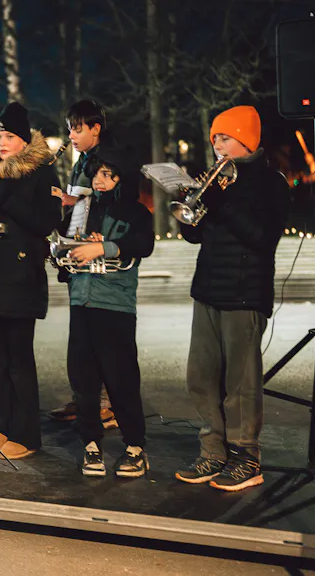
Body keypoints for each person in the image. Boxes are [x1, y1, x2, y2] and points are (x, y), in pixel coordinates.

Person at [174, 105, 290, 492]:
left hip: (245, 293)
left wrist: (222, 203)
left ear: (246, 139)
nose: (217, 146)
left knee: (241, 383)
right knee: (201, 376)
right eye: (215, 140)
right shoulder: (216, 182)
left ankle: (246, 456)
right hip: (208, 289)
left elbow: (262, 238)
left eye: (224, 138)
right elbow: (196, 235)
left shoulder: (270, 183)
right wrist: (191, 208)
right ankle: (213, 452)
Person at [0, 102, 62, 460]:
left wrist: (3, 194)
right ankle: (5, 427)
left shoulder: (41, 173)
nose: (2, 143)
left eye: (9, 137)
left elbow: (45, 221)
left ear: (24, 140)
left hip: (20, 277)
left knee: (19, 360)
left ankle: (27, 434)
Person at [64, 146, 154, 478]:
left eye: (108, 175)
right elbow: (64, 244)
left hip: (115, 304)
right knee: (83, 378)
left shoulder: (136, 212)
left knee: (121, 378)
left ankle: (135, 446)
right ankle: (90, 443)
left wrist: (104, 247)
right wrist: (71, 249)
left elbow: (143, 244)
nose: (99, 181)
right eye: (97, 174)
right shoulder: (85, 209)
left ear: (122, 178)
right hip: (81, 301)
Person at [49, 99, 117, 426]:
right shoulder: (81, 160)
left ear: (96, 128)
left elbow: (111, 199)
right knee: (82, 342)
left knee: (100, 338)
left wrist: (70, 199)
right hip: (77, 253)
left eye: (77, 129)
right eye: (69, 130)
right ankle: (85, 398)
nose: (72, 136)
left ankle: (106, 403)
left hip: (97, 256)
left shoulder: (105, 160)